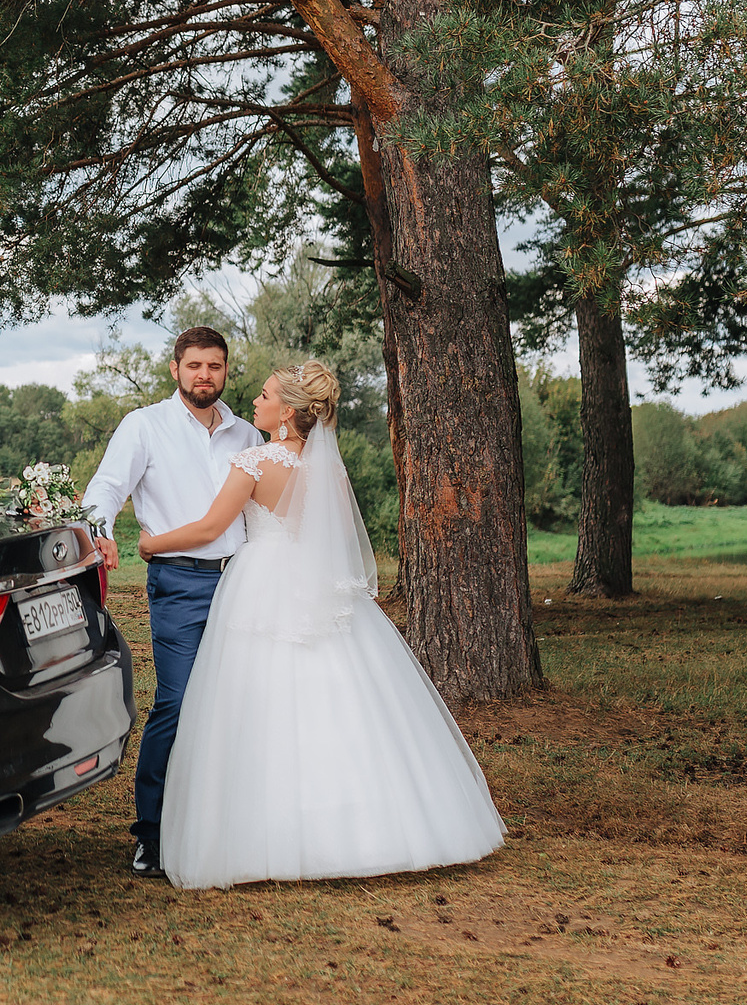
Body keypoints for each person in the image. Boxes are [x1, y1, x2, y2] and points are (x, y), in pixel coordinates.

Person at [150, 361, 506, 890]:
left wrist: (148, 543)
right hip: (320, 587)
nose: (255, 402)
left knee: (258, 701)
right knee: (343, 699)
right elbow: (331, 538)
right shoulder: (330, 470)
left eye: (265, 395)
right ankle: (370, 828)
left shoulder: (252, 460)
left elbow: (209, 528)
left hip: (260, 585)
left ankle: (267, 833)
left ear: (287, 411)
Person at [78, 325, 263, 878]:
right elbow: (107, 488)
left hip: (246, 582)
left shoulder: (248, 435)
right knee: (178, 703)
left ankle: (227, 826)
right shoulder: (145, 426)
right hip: (180, 584)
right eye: (194, 366)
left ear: (226, 369)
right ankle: (152, 836)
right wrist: (100, 528)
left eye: (215, 365)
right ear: (175, 369)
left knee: (239, 706)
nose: (204, 375)